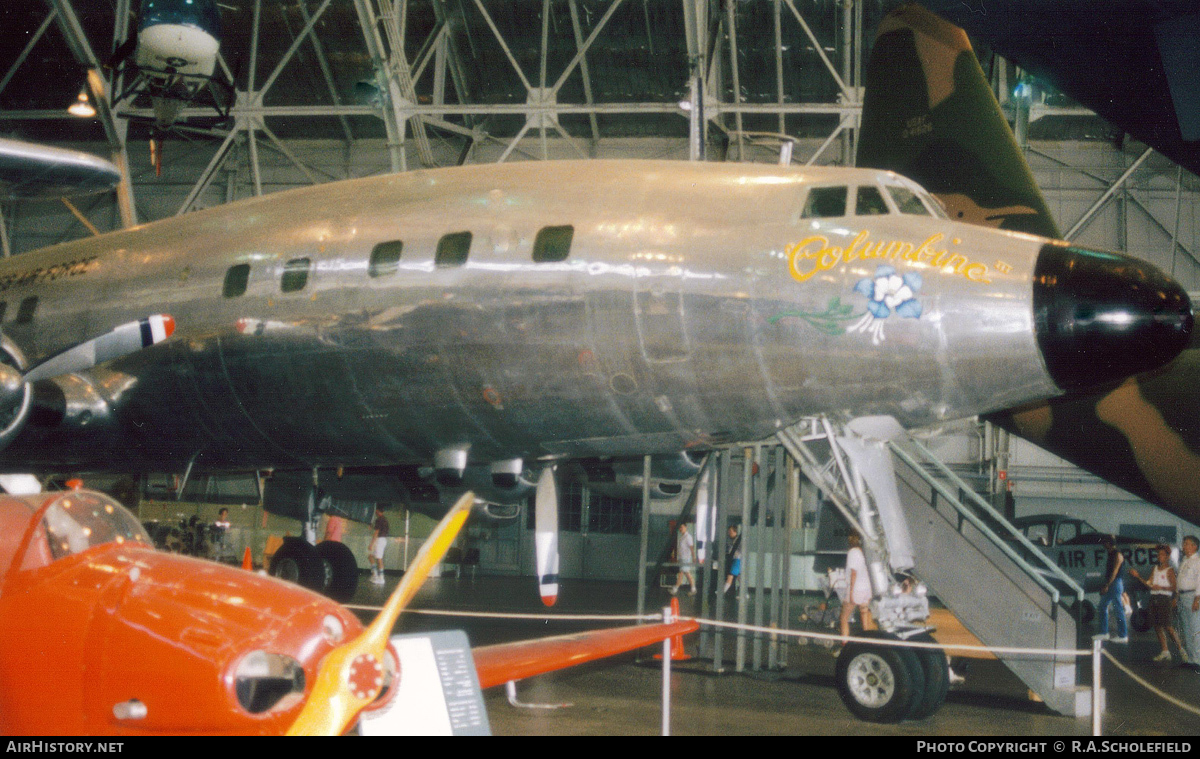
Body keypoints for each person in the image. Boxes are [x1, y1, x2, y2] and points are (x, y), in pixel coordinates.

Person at [1130, 545, 1187, 662]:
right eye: (1158, 554)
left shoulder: (1169, 570)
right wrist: (1138, 576)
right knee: (1157, 626)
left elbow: (1174, 588)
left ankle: (1181, 650)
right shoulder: (1155, 569)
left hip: (1164, 600)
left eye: (1162, 554)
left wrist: (1161, 587)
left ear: (1167, 557)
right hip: (1154, 599)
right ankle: (1165, 651)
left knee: (1168, 627)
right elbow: (1148, 584)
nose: (1159, 556)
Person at [840, 532, 874, 642]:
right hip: (866, 588)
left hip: (857, 589)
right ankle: (867, 641)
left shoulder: (852, 552)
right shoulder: (863, 552)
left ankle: (845, 643)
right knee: (864, 615)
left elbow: (853, 572)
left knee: (844, 617)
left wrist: (850, 593)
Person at [1098, 535, 1128, 643]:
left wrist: (1107, 585)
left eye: (1105, 542)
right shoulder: (1110, 554)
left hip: (1115, 583)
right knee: (1102, 606)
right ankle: (1104, 633)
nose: (1103, 544)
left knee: (1118, 609)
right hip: (1112, 583)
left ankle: (1123, 635)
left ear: (1109, 543)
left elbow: (1115, 572)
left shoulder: (1118, 555)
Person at [1177, 535, 1200, 669]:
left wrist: (1197, 599)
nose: (1184, 546)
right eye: (1184, 544)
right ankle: (1191, 659)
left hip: (1193, 597)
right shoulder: (1185, 560)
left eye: (1186, 544)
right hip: (1183, 597)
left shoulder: (1198, 561)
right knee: (1186, 629)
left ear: (1194, 546)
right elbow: (1180, 580)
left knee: (1196, 629)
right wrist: (1177, 596)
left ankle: (1198, 660)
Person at [671, 522, 696, 595]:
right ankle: (692, 589)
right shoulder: (682, 537)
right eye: (680, 527)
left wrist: (694, 557)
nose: (680, 529)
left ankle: (676, 589)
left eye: (682, 527)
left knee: (684, 574)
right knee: (684, 574)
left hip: (686, 558)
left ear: (686, 527)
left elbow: (691, 548)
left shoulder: (688, 537)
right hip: (682, 558)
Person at [370, 505, 389, 586]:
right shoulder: (385, 519)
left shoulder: (379, 519)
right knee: (371, 556)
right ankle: (376, 575)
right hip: (383, 540)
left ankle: (381, 578)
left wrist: (371, 543)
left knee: (379, 559)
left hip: (379, 540)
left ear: (377, 511)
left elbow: (376, 532)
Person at [723, 524, 742, 593]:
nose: (729, 532)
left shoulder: (738, 541)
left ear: (735, 532)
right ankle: (745, 594)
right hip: (735, 560)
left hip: (737, 559)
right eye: (729, 531)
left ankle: (722, 592)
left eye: (731, 531)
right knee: (739, 577)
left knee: (730, 576)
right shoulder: (731, 540)